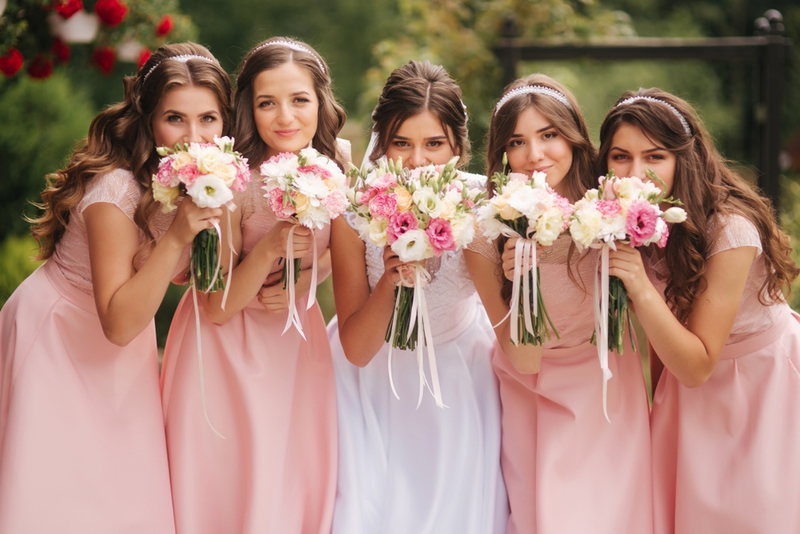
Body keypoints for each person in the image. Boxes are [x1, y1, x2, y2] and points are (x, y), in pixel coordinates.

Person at [0, 42, 229, 533]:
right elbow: (120, 323)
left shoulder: (207, 179)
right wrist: (181, 234)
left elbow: (193, 276)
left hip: (123, 352)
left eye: (208, 118)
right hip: (63, 338)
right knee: (53, 496)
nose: (195, 136)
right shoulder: (115, 192)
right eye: (175, 118)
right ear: (148, 119)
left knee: (127, 498)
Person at [160, 37, 348, 534]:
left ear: (322, 102)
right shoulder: (232, 181)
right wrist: (270, 248)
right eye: (267, 103)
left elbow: (331, 255)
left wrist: (304, 283)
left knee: (291, 485)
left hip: (294, 346)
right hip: (224, 353)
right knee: (231, 488)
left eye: (299, 100)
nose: (285, 117)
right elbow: (216, 306)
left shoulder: (339, 165)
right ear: (249, 107)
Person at [599, 88, 800, 534]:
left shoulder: (729, 229)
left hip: (759, 385)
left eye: (655, 157)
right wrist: (650, 411)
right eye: (620, 157)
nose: (637, 173)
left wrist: (635, 282)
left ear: (682, 159)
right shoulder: (631, 222)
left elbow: (698, 364)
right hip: (685, 381)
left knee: (756, 515)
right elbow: (661, 336)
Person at [464, 74, 653, 534]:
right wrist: (527, 280)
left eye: (548, 134)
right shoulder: (487, 231)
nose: (535, 155)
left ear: (572, 134)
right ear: (502, 153)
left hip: (609, 391)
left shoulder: (612, 206)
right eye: (517, 141)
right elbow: (524, 359)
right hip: (535, 394)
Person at [328, 60, 508, 534]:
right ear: (381, 144)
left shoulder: (481, 204)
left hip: (460, 377)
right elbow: (357, 349)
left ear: (457, 147)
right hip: (369, 378)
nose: (416, 161)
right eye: (401, 144)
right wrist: (391, 276)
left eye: (434, 144)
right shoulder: (352, 212)